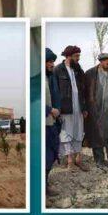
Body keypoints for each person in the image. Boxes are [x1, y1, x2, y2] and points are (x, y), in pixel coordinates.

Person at [52, 45, 89, 171]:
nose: (78, 58)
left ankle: (78, 159)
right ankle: (69, 161)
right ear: (68, 56)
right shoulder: (58, 70)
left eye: (79, 56)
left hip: (78, 108)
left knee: (79, 132)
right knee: (66, 133)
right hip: (65, 108)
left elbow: (83, 90)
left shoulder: (78, 70)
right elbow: (54, 91)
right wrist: (56, 108)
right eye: (76, 56)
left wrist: (84, 108)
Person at [84, 52, 108, 169]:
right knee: (97, 135)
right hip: (95, 111)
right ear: (101, 61)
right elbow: (83, 93)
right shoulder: (90, 73)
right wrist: (85, 108)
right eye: (107, 61)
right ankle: (99, 161)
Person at [44, 48, 62, 181]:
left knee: (51, 153)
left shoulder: (50, 77)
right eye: (49, 61)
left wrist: (57, 111)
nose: (52, 64)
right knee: (45, 156)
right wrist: (49, 110)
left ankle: (45, 185)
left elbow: (56, 96)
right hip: (42, 124)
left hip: (52, 123)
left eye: (52, 62)